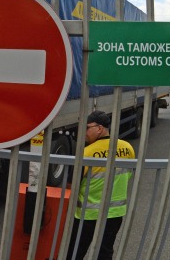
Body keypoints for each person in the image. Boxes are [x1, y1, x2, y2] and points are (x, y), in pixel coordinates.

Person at [67, 110, 135, 260]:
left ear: (99, 128)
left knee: (75, 252)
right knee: (104, 252)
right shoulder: (127, 148)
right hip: (115, 213)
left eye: (87, 128)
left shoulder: (86, 153)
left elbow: (74, 183)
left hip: (88, 214)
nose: (83, 132)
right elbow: (128, 174)